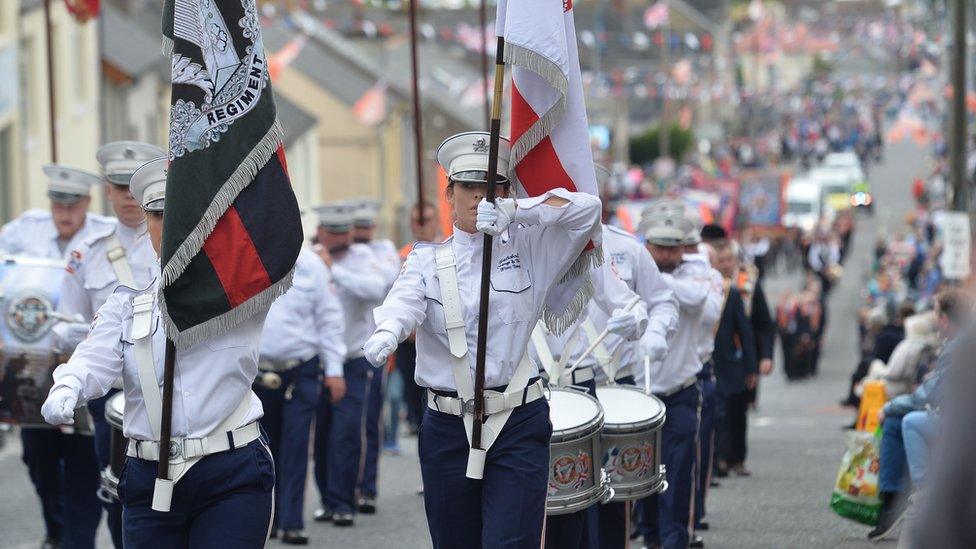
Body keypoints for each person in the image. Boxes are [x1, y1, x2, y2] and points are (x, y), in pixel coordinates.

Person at [363, 131, 602, 548]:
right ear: (450, 194)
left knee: (510, 541)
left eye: (492, 188)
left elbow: (588, 210)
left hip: (516, 420)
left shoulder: (531, 249)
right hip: (447, 423)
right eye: (470, 187)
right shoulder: (426, 259)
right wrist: (387, 330)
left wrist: (519, 211)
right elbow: (404, 302)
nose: (479, 198)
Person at [40, 157, 276, 548]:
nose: (170, 225)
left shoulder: (245, 291)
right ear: (146, 223)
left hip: (231, 472)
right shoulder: (127, 303)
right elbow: (94, 357)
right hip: (149, 476)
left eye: (184, 213)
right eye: (158, 215)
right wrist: (68, 386)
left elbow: (276, 236)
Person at [53, 141, 164, 548]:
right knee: (118, 494)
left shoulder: (177, 243)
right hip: (111, 394)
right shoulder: (89, 251)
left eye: (135, 189)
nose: (129, 198)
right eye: (120, 188)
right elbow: (66, 325)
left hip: (168, 391)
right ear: (108, 191)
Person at [0, 164, 115, 549]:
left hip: (87, 365)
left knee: (85, 463)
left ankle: (75, 541)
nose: (64, 213)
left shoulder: (105, 235)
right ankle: (57, 527)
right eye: (57, 204)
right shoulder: (25, 231)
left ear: (87, 202)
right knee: (38, 459)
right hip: (33, 368)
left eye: (73, 204)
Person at [255, 246, 347, 544]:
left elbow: (329, 318)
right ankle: (269, 518)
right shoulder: (246, 254)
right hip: (256, 373)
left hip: (301, 369)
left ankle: (292, 520)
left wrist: (334, 369)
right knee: (262, 450)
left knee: (295, 446)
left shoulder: (311, 265)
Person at [869, 290, 970, 541]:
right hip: (949, 414)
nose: (934, 320)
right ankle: (892, 496)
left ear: (945, 318)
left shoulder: (959, 346)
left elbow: (925, 396)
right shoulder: (957, 342)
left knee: (909, 421)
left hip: (958, 423)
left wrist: (888, 407)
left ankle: (920, 494)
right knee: (896, 422)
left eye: (936, 313)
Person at [311, 203, 389, 526]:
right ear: (322, 233)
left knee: (348, 432)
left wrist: (333, 270)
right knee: (322, 435)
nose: (340, 238)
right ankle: (327, 499)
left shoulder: (363, 258)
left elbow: (376, 288)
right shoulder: (309, 258)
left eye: (344, 232)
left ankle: (346, 500)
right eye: (333, 232)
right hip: (317, 362)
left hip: (354, 360)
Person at [637, 210, 710, 549]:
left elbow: (695, 300)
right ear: (646, 245)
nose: (665, 255)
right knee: (640, 475)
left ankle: (673, 542)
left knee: (678, 475)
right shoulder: (632, 271)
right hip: (641, 395)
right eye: (658, 247)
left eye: (672, 248)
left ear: (684, 248)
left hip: (680, 393)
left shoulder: (696, 272)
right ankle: (651, 537)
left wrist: (651, 276)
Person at [348, 198, 399, 514]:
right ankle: (339, 489)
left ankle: (365, 487)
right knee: (337, 428)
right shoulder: (333, 253)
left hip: (369, 352)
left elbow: (381, 286)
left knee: (368, 423)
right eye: (358, 227)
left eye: (367, 226)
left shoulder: (382, 253)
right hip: (336, 353)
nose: (363, 232)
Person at [709, 239, 759, 480]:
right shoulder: (704, 288)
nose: (727, 265)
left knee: (735, 411)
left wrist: (752, 367)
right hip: (708, 359)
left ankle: (736, 458)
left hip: (731, 360)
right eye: (722, 261)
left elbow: (746, 331)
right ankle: (717, 460)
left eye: (730, 260)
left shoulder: (736, 291)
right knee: (716, 413)